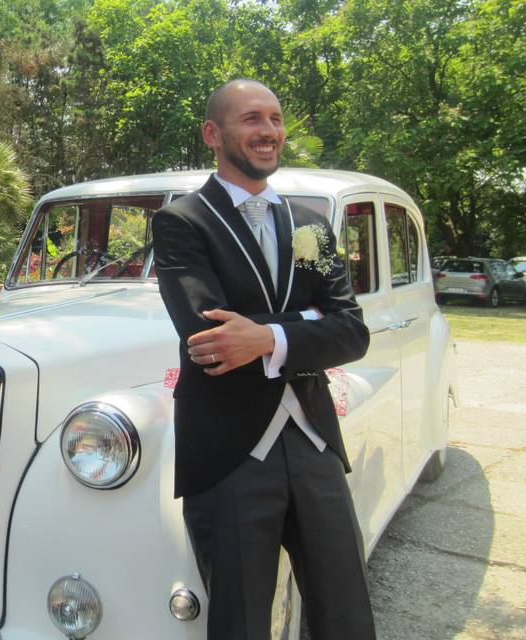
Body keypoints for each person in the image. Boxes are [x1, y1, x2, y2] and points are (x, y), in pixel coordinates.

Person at [151, 79, 376, 639]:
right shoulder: (182, 222)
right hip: (229, 450)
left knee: (345, 609)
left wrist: (269, 337)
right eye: (252, 119)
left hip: (314, 440)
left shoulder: (312, 225)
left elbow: (352, 332)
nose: (269, 131)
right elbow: (211, 338)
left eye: (275, 119)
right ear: (213, 133)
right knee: (241, 621)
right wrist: (306, 325)